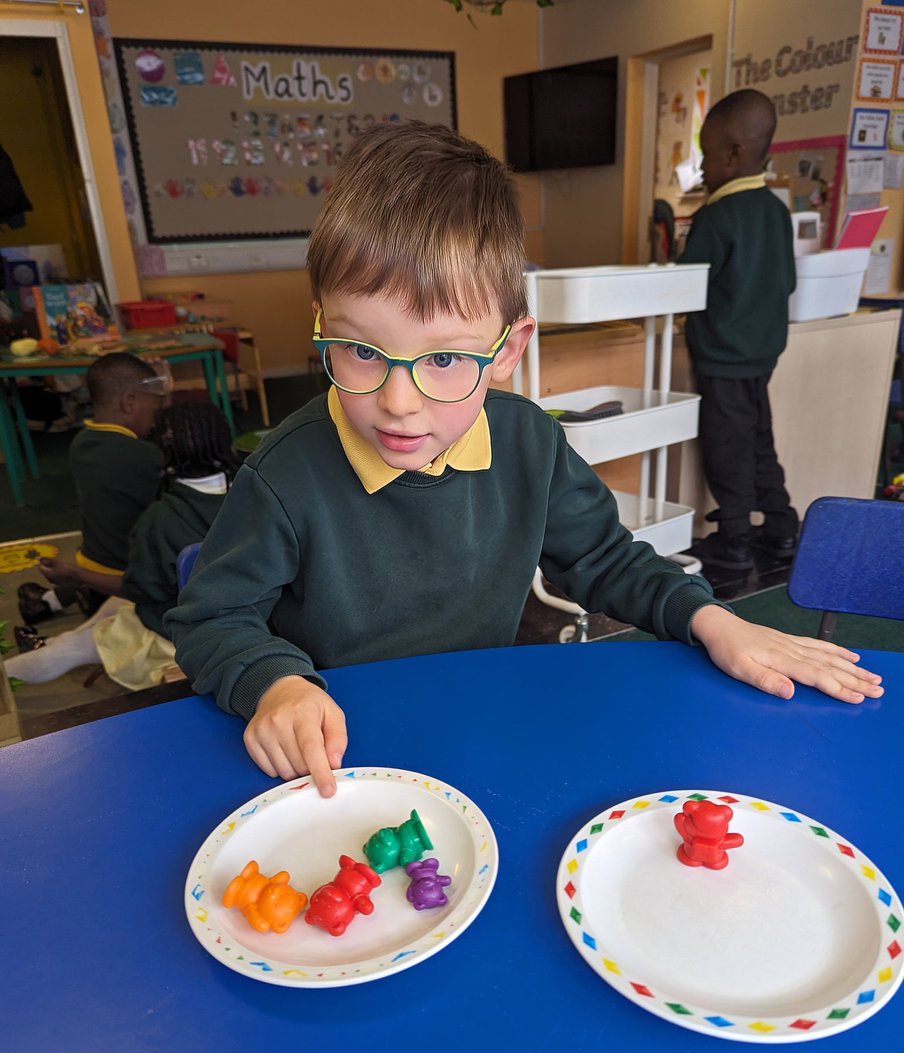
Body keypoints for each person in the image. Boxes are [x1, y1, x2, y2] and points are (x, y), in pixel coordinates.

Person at [165, 120, 883, 796]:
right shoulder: (286, 474)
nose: (400, 401)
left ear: (508, 350)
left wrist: (713, 620)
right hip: (340, 756)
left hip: (480, 730)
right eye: (360, 351)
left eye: (444, 357)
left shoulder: (528, 442)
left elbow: (606, 561)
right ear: (321, 325)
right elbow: (209, 620)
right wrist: (275, 683)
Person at [7, 399, 237, 690]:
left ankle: (19, 665)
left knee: (71, 649)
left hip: (181, 632)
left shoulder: (159, 519)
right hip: (244, 618)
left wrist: (74, 575)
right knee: (110, 612)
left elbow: (137, 590)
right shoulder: (252, 491)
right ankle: (48, 640)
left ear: (162, 451)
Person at [679, 88, 799, 571]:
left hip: (721, 359)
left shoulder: (715, 216)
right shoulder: (777, 212)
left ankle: (732, 539)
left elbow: (685, 286)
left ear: (733, 153)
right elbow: (786, 282)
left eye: (706, 154)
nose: (702, 166)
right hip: (761, 357)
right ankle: (782, 524)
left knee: (727, 447)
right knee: (758, 439)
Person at [17, 352, 169, 626]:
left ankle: (52, 600)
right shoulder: (144, 457)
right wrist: (166, 391)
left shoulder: (81, 444)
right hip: (124, 581)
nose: (156, 420)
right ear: (129, 403)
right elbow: (173, 443)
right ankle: (74, 597)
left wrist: (157, 391)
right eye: (155, 411)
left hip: (92, 562)